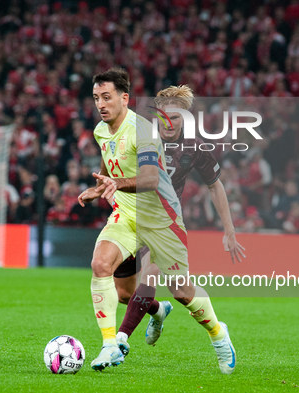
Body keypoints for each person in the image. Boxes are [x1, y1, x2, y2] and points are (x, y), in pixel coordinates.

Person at [77, 69, 236, 374]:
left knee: (179, 290)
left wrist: (229, 230)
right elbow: (107, 164)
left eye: (106, 97)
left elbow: (150, 179)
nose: (100, 103)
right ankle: (112, 343)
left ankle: (218, 332)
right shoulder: (101, 130)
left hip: (162, 219)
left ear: (125, 99)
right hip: (126, 213)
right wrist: (100, 187)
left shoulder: (149, 133)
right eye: (96, 98)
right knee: (110, 276)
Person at [111, 85, 246, 359]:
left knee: (166, 282)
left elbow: (215, 186)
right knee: (126, 294)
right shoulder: (139, 136)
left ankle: (120, 341)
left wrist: (229, 231)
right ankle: (158, 311)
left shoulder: (195, 147)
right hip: (130, 218)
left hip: (164, 222)